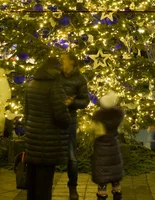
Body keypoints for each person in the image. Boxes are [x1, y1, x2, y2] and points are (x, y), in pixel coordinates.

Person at [24, 57, 71, 200]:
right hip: (48, 142)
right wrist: (67, 121)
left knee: (32, 180)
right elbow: (61, 115)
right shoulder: (54, 86)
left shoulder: (31, 84)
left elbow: (27, 111)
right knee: (45, 183)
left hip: (33, 139)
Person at [59, 53, 90, 200]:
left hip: (70, 120)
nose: (65, 69)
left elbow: (85, 101)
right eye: (63, 65)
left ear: (74, 66)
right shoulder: (56, 76)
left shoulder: (80, 79)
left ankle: (73, 187)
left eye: (68, 66)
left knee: (71, 156)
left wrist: (72, 103)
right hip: (55, 119)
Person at [92, 92, 124, 200]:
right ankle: (117, 194)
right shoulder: (118, 115)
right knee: (115, 176)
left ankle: (102, 195)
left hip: (101, 148)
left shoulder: (98, 117)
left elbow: (95, 130)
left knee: (102, 177)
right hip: (113, 145)